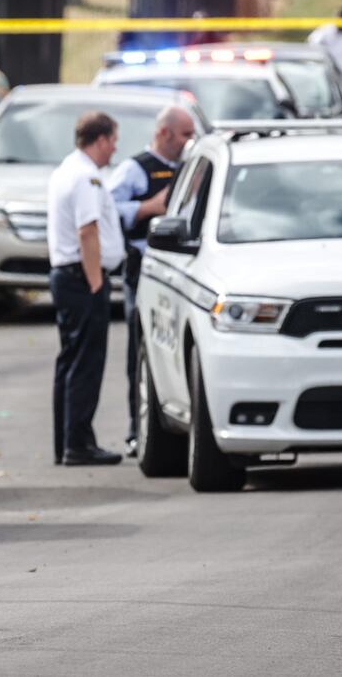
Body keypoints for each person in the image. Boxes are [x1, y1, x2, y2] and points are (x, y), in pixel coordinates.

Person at [108, 105, 197, 458]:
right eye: (186, 134)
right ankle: (137, 430)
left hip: (183, 274)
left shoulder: (192, 167)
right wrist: (149, 207)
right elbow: (108, 209)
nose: (191, 140)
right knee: (140, 349)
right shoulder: (135, 169)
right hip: (142, 272)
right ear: (164, 134)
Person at [46, 111, 127, 468]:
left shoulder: (67, 170)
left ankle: (67, 442)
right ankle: (78, 443)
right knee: (85, 364)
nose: (114, 148)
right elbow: (87, 231)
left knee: (70, 361)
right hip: (82, 278)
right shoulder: (85, 178)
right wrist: (96, 282)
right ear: (99, 140)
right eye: (112, 140)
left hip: (69, 276)